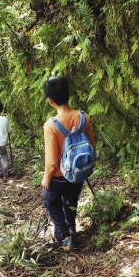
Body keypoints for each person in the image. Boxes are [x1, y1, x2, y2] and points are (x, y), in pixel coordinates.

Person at [41, 77, 96, 250]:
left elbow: (51, 161)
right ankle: (71, 228)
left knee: (50, 201)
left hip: (59, 176)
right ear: (69, 93)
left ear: (50, 101)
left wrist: (46, 179)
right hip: (78, 173)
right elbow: (92, 146)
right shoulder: (83, 117)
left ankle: (65, 236)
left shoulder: (51, 126)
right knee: (71, 201)